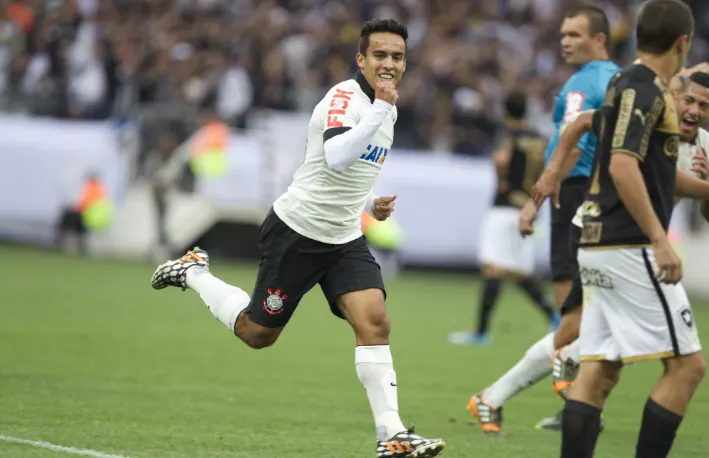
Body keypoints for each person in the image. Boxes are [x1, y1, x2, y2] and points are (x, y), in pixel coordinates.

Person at [150, 19, 445, 458]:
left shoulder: (387, 106)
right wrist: (382, 107)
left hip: (344, 238)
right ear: (361, 59)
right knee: (257, 333)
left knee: (375, 323)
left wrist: (369, 207)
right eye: (379, 55)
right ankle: (193, 271)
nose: (389, 64)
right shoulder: (345, 99)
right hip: (298, 232)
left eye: (397, 56)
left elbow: (350, 171)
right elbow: (336, 155)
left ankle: (392, 435)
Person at [538, 2, 703, 457]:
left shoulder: (620, 83)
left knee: (600, 368)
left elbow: (653, 171)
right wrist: (658, 239)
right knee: (687, 368)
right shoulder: (646, 90)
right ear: (682, 42)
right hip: (629, 244)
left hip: (597, 242)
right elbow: (623, 167)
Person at [465, 5, 619, 435]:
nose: (565, 41)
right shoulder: (614, 79)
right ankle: (573, 402)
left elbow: (567, 145)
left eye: (575, 34)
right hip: (593, 196)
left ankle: (499, 395)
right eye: (563, 34)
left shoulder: (584, 83)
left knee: (576, 312)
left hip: (578, 195)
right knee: (581, 314)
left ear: (600, 38)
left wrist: (538, 196)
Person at [449, 89, 558, 346]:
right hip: (529, 208)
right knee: (518, 270)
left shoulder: (507, 137)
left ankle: (481, 331)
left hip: (504, 206)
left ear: (506, 111)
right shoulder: (540, 139)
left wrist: (502, 179)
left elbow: (501, 160)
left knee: (492, 268)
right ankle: (554, 315)